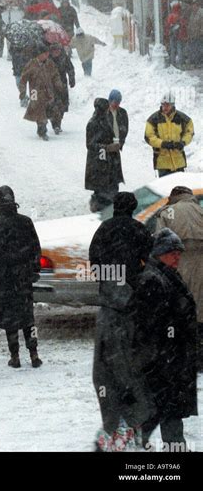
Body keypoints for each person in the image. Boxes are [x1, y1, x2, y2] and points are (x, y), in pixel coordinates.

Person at [89, 193, 154, 451]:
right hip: (132, 304)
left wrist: (108, 282)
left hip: (109, 303)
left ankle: (115, 425)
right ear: (133, 208)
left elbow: (94, 261)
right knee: (131, 364)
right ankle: (133, 423)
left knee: (108, 365)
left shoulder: (103, 229)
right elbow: (148, 263)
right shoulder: (139, 229)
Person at [129, 229, 198, 450]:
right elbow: (152, 326)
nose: (177, 256)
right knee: (165, 412)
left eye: (179, 252)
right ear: (159, 253)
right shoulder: (153, 280)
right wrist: (169, 355)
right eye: (172, 252)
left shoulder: (165, 274)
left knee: (161, 413)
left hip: (168, 362)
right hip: (164, 363)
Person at [0, 186, 42, 369]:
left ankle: (14, 356)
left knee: (10, 318)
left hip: (4, 280)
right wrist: (34, 270)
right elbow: (36, 249)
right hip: (23, 277)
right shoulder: (26, 222)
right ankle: (34, 354)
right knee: (28, 317)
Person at [155, 186, 203, 371]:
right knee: (199, 306)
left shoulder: (167, 212)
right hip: (201, 263)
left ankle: (184, 354)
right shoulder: (200, 210)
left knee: (181, 306)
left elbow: (161, 240)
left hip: (178, 261)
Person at [85, 98, 124, 212]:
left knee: (109, 185)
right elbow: (90, 145)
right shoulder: (93, 123)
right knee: (102, 187)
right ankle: (99, 207)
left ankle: (105, 205)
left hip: (109, 161)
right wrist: (107, 148)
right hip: (99, 162)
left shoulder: (105, 120)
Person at [19, 49, 65, 141]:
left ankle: (55, 124)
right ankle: (42, 130)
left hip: (48, 91)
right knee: (38, 110)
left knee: (53, 109)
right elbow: (23, 79)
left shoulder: (50, 64)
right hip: (34, 92)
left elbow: (55, 75)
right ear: (38, 55)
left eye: (47, 54)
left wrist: (59, 85)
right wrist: (22, 92)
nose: (47, 55)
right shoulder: (31, 65)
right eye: (44, 54)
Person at [144, 91, 194, 178]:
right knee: (165, 190)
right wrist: (163, 144)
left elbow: (190, 132)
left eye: (167, 105)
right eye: (163, 104)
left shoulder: (182, 118)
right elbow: (148, 136)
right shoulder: (153, 119)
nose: (165, 107)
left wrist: (183, 142)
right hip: (162, 163)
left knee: (180, 189)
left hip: (179, 162)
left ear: (173, 105)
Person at [48, 43, 75, 134]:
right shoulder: (47, 59)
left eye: (58, 50)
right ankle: (55, 124)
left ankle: (58, 122)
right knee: (53, 105)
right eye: (54, 51)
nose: (57, 52)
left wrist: (72, 79)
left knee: (62, 105)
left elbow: (70, 68)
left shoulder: (64, 58)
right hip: (51, 85)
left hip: (62, 84)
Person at [164, 2, 187, 68]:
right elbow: (183, 25)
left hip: (172, 35)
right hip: (179, 35)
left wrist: (168, 33)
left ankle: (173, 63)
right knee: (179, 49)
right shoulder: (180, 16)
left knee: (173, 49)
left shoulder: (170, 16)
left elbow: (167, 25)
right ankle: (180, 63)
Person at [185, 0, 203, 68]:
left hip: (199, 34)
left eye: (194, 5)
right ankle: (195, 62)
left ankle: (199, 62)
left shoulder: (201, 12)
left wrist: (201, 31)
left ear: (197, 5)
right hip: (193, 34)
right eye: (193, 5)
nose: (193, 6)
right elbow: (190, 23)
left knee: (199, 49)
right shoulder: (193, 13)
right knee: (194, 49)